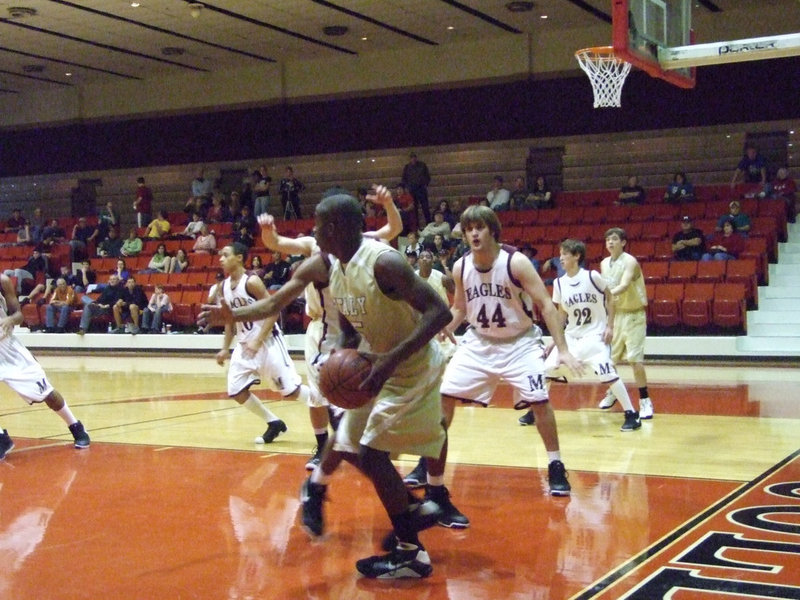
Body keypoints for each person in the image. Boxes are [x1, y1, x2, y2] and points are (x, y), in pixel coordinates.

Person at [198, 187, 413, 545]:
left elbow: (393, 230)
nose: (314, 231)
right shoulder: (317, 256)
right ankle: (401, 510)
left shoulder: (372, 250)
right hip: (329, 337)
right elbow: (281, 255)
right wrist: (268, 236)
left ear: (340, 228)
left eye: (321, 224)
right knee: (346, 426)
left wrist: (389, 204)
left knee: (361, 434)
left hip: (369, 339)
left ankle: (337, 487)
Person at [406, 205, 582, 506]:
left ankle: (555, 464)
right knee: (444, 398)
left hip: (520, 342)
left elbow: (546, 304)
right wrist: (441, 328)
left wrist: (562, 348)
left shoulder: (516, 263)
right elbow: (460, 306)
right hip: (479, 342)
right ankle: (428, 461)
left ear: (493, 230)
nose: (473, 233)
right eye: (469, 228)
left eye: (480, 227)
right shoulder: (461, 266)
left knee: (539, 402)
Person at [215, 242, 309, 445]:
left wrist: (258, 341)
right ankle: (273, 422)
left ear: (239, 257)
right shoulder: (223, 287)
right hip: (244, 345)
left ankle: (330, 408)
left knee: (291, 391)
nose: (220, 259)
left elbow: (274, 310)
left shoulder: (252, 282)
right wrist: (225, 348)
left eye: (225, 255)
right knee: (236, 390)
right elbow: (230, 320)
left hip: (267, 342)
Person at [544, 239, 641, 432]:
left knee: (607, 372)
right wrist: (555, 341)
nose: (560, 258)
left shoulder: (592, 277)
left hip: (595, 335)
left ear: (577, 256)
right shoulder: (559, 283)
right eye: (560, 254)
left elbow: (610, 297)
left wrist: (610, 326)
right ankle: (537, 409)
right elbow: (561, 314)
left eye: (565, 254)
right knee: (545, 370)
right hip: (572, 337)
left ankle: (631, 413)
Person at [0, 273, 90, 460]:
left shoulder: (3, 281)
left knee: (47, 394)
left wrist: (9, 320)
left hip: (9, 351)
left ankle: (76, 426)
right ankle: (2, 438)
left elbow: (18, 315)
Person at [598, 228, 653, 419]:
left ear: (623, 242)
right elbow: (608, 297)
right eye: (607, 240)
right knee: (609, 361)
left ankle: (645, 400)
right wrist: (609, 324)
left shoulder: (630, 261)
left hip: (634, 315)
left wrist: (604, 293)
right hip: (617, 314)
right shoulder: (604, 264)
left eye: (614, 239)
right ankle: (613, 392)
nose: (610, 243)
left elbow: (624, 285)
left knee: (634, 360)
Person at [402, 151, 432, 226]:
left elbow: (427, 176)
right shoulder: (407, 167)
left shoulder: (422, 165)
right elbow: (404, 179)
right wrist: (407, 188)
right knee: (414, 210)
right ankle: (416, 226)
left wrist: (424, 184)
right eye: (412, 158)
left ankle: (429, 224)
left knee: (425, 208)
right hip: (412, 190)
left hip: (421, 189)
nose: (413, 159)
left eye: (414, 157)